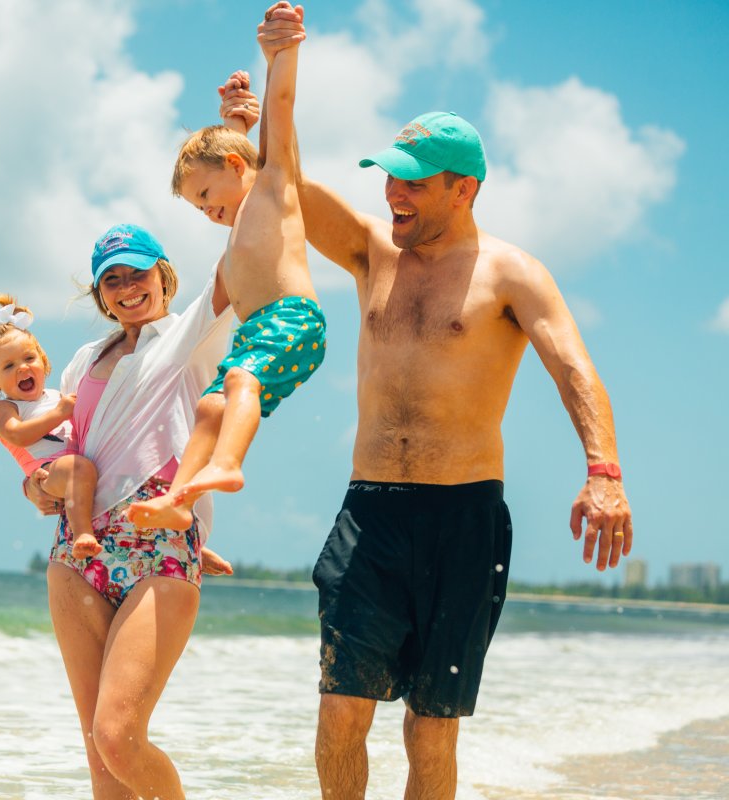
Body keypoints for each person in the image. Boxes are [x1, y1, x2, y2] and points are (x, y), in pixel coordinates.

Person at [234, 5, 635, 798]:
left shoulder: (512, 274)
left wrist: (604, 471)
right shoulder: (370, 250)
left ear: (465, 187)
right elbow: (285, 185)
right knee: (340, 712)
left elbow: (574, 369)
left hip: (463, 519)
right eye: (388, 177)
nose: (392, 193)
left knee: (431, 725)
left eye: (412, 182)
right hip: (370, 513)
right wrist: (265, 103)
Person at [24, 222, 235, 799]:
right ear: (99, 295)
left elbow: (242, 257)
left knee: (119, 736)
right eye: (111, 280)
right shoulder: (82, 361)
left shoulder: (190, 336)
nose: (127, 288)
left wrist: (252, 161)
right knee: (98, 756)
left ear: (163, 275)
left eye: (137, 273)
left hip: (159, 542)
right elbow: (61, 450)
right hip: (78, 548)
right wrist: (36, 486)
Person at [126, 3, 325, 532]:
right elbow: (224, 154)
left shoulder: (270, 188)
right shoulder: (237, 218)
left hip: (292, 318)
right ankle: (178, 500)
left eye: (207, 196)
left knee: (239, 381)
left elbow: (278, 113)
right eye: (198, 207)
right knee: (211, 409)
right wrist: (234, 115)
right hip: (259, 332)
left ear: (236, 169)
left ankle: (229, 463)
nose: (208, 211)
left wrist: (280, 54)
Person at [0, 293, 102, 559]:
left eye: (29, 358)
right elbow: (18, 435)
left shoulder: (56, 395)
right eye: (8, 366)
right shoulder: (7, 408)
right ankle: (82, 534)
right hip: (47, 473)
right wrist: (60, 413)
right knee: (79, 468)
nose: (22, 368)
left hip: (76, 470)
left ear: (42, 360)